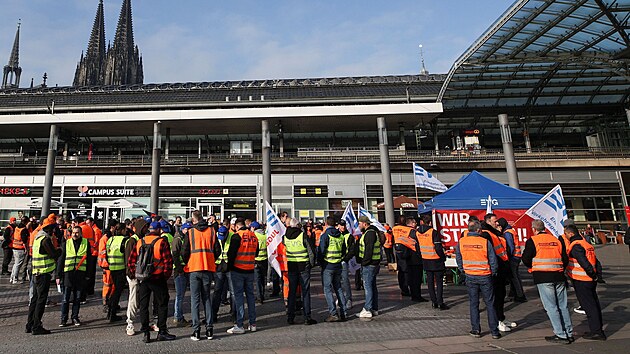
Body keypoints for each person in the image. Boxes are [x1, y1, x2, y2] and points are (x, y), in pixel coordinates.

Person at [522, 219, 573, 344]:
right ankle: (569, 332)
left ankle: (560, 334)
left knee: (551, 307)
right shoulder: (556, 240)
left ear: (534, 229)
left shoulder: (533, 241)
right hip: (559, 275)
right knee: (563, 306)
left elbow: (526, 259)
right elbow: (565, 258)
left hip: (543, 277)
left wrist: (532, 267)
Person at [128, 221, 176, 343]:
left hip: (143, 279)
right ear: (159, 230)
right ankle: (162, 331)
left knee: (144, 305)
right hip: (158, 278)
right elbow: (168, 262)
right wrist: (165, 276)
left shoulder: (140, 242)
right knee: (162, 304)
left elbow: (131, 260)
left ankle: (146, 333)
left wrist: (137, 274)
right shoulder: (161, 242)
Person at [456, 220, 500, 339]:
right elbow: (493, 260)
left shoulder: (461, 242)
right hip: (485, 275)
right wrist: (493, 272)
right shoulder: (485, 242)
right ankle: (494, 331)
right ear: (479, 230)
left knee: (474, 304)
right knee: (490, 303)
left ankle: (476, 329)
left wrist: (463, 270)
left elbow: (458, 258)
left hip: (470, 276)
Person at [565, 224, 606, 340]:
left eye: (566, 233)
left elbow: (584, 262)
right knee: (594, 304)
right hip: (590, 279)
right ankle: (597, 329)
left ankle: (597, 331)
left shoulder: (576, 246)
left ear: (571, 233)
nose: (565, 236)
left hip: (582, 279)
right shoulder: (586, 244)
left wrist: (592, 274)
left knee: (589, 306)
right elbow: (596, 262)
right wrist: (597, 275)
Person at [182, 211, 217, 341]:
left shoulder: (190, 232)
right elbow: (217, 250)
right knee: (207, 298)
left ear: (194, 220)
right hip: (207, 268)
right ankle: (209, 330)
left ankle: (196, 331)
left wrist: (188, 262)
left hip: (194, 268)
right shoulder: (212, 231)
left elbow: (184, 251)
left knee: (195, 300)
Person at [26, 214, 61, 335]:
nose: (54, 230)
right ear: (49, 228)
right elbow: (53, 254)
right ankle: (36, 326)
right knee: (41, 299)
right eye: (53, 228)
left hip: (36, 272)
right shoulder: (45, 240)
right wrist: (60, 250)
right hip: (43, 274)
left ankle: (29, 324)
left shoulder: (37, 238)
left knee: (34, 299)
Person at [481, 213, 515, 332]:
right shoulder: (486, 234)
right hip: (495, 270)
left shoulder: (494, 233)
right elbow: (489, 253)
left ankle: (501, 318)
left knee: (501, 296)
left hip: (501, 269)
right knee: (496, 297)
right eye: (495, 221)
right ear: (488, 222)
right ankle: (497, 321)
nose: (497, 223)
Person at [226, 218, 258, 334]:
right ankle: (252, 323)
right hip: (250, 270)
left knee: (239, 298)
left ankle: (239, 325)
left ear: (237, 226)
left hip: (238, 270)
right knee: (250, 297)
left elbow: (231, 254)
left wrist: (229, 268)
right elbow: (257, 252)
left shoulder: (236, 236)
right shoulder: (253, 236)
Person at [57, 225, 92, 327]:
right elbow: (61, 259)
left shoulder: (86, 243)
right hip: (68, 273)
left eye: (77, 233)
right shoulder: (66, 243)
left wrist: (88, 275)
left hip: (80, 273)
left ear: (81, 233)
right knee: (65, 298)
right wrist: (58, 275)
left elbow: (89, 260)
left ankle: (75, 317)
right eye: (73, 233)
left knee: (77, 298)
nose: (75, 235)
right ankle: (63, 319)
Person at [284, 218, 317, 325]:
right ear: (298, 225)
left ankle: (290, 316)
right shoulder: (302, 235)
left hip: (292, 267)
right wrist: (311, 264)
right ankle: (307, 317)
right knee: (305, 292)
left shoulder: (285, 237)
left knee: (292, 292)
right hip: (303, 267)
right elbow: (311, 252)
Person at [318, 216, 347, 322]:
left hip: (328, 265)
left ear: (326, 223)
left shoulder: (326, 235)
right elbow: (344, 251)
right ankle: (344, 312)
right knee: (338, 288)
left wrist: (320, 263)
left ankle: (333, 313)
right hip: (338, 265)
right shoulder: (340, 236)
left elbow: (321, 251)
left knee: (327, 289)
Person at [417, 213, 448, 310]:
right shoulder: (433, 232)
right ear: (430, 222)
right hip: (436, 260)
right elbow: (438, 247)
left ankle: (433, 301)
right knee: (439, 282)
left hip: (425, 259)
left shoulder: (417, 232)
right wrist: (443, 257)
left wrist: (421, 255)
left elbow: (417, 246)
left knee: (430, 282)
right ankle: (440, 302)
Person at [393, 216, 425, 301]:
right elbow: (420, 241)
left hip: (402, 254)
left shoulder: (395, 229)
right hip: (414, 255)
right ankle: (416, 295)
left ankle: (406, 290)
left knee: (405, 275)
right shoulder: (411, 231)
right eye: (414, 222)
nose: (416, 224)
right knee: (416, 278)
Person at [124, 217, 147, 336]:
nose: (146, 230)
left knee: (144, 298)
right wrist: (131, 274)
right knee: (133, 298)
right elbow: (129, 259)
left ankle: (146, 322)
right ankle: (130, 322)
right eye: (145, 228)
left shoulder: (141, 239)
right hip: (134, 274)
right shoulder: (133, 240)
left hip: (142, 273)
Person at [356, 215, 381, 319]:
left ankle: (367, 309)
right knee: (372, 286)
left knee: (368, 287)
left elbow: (368, 250)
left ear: (364, 224)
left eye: (360, 223)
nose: (359, 225)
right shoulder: (371, 232)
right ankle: (373, 308)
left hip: (369, 264)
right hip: (373, 263)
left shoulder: (369, 233)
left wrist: (364, 262)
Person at [498, 218, 527, 303]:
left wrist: (507, 258)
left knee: (514, 277)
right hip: (517, 256)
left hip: (513, 257)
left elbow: (510, 247)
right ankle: (516, 294)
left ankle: (519, 295)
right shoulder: (511, 231)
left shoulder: (507, 233)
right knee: (515, 276)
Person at [105, 223, 129, 322]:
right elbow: (127, 255)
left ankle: (110, 310)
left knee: (116, 290)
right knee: (117, 292)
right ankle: (112, 313)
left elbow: (107, 254)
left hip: (112, 268)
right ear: (122, 230)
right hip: (121, 268)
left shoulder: (111, 239)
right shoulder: (125, 240)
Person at [171, 221, 191, 327]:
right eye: (187, 229)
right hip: (179, 270)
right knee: (179, 295)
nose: (188, 231)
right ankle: (178, 317)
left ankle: (178, 316)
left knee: (181, 295)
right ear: (183, 229)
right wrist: (179, 269)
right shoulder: (177, 239)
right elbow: (175, 255)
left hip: (184, 269)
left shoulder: (182, 238)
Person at [211, 226, 233, 322]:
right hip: (219, 267)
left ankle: (234, 314)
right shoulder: (215, 236)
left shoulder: (232, 236)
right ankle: (213, 315)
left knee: (232, 292)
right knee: (217, 291)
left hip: (229, 267)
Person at [339, 220, 354, 310]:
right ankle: (341, 297)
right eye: (341, 225)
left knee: (345, 280)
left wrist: (345, 258)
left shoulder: (349, 236)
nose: (343, 227)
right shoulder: (336, 234)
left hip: (344, 261)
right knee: (338, 281)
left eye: (344, 225)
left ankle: (348, 299)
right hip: (336, 260)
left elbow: (352, 250)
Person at [9, 217, 29, 284]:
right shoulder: (23, 229)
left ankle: (12, 278)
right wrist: (26, 248)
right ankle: (15, 279)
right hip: (20, 248)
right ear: (26, 222)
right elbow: (24, 240)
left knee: (16, 264)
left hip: (15, 247)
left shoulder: (17, 228)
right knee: (18, 264)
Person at [252, 221, 268, 304]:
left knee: (257, 280)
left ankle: (259, 297)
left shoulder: (254, 235)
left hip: (256, 260)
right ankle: (262, 294)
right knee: (262, 279)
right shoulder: (265, 235)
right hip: (264, 259)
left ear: (254, 228)